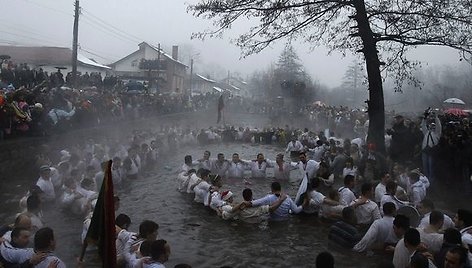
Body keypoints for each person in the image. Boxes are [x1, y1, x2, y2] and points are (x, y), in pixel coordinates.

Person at [221, 188, 287, 223]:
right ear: (251, 196)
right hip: (256, 226)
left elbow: (227, 215)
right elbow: (271, 208)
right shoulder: (259, 207)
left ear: (243, 197)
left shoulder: (240, 208)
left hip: (245, 226)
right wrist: (281, 200)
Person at [421, 109, 441, 183]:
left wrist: (436, 117)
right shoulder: (426, 132)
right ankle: (426, 182)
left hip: (432, 152)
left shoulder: (437, 134)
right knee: (425, 168)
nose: (432, 127)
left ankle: (431, 183)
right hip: (425, 151)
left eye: (433, 126)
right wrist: (425, 117)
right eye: (431, 125)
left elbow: (439, 126)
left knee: (431, 168)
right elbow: (423, 125)